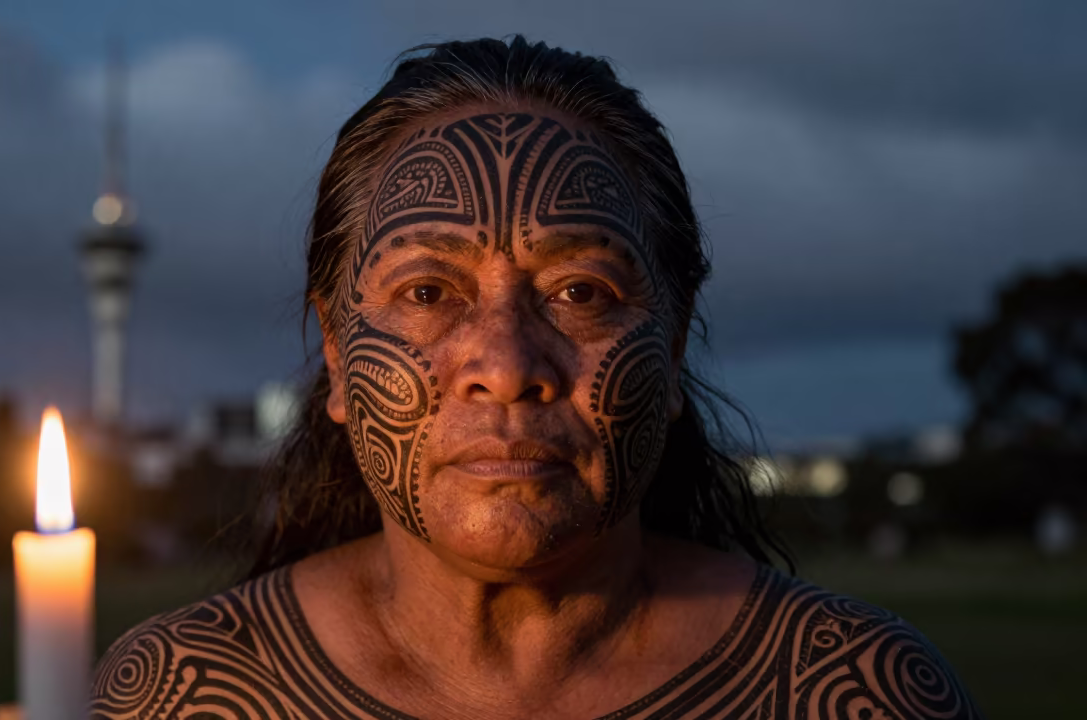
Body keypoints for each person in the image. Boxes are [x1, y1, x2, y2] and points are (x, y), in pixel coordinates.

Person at [91, 37, 981, 719]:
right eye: (428, 291)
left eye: (581, 292)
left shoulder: (857, 695)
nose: (508, 366)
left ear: (673, 347)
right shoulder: (186, 695)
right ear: (336, 353)